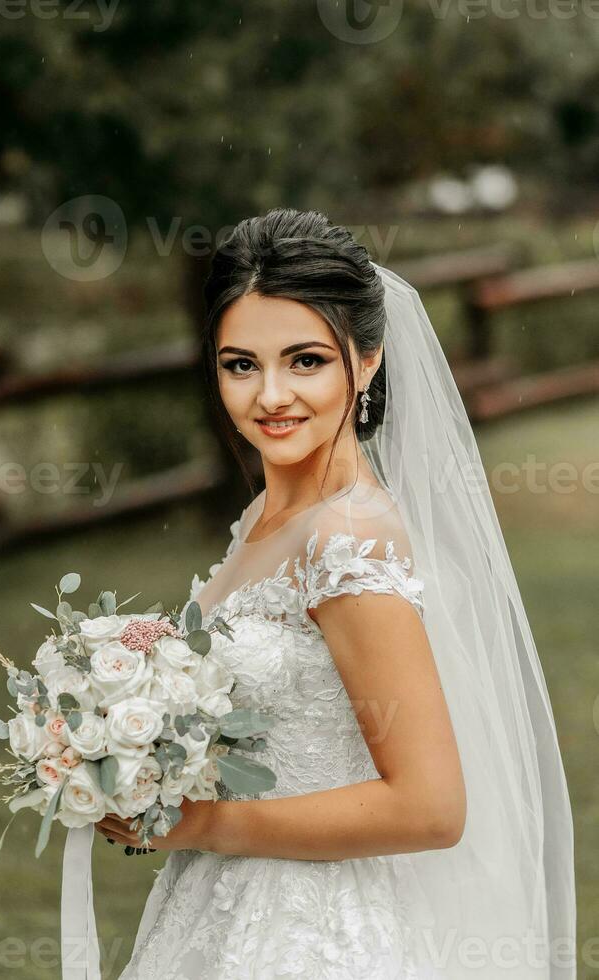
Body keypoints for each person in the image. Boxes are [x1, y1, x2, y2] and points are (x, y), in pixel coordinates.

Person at [97, 207, 576, 979]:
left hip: (313, 932)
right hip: (221, 903)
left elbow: (430, 808)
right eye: (240, 364)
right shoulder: (266, 514)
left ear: (369, 359)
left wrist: (204, 823)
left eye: (306, 360)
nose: (270, 395)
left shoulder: (347, 535)